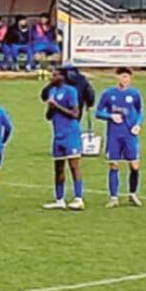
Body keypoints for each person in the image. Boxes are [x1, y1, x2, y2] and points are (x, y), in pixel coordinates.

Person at [96, 67, 145, 208]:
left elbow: (140, 111)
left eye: (127, 77)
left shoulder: (134, 94)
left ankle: (132, 194)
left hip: (130, 134)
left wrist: (138, 124)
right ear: (117, 78)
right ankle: (113, 197)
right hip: (114, 135)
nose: (125, 80)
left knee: (134, 165)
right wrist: (110, 116)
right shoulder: (108, 94)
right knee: (114, 164)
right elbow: (98, 112)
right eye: (122, 76)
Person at [43, 66, 86, 209]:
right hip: (58, 135)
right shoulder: (52, 91)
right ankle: (59, 200)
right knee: (58, 168)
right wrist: (50, 108)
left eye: (55, 75)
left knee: (74, 166)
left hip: (71, 134)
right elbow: (48, 117)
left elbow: (75, 114)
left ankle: (78, 198)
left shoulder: (70, 91)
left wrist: (56, 106)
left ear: (62, 77)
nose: (52, 77)